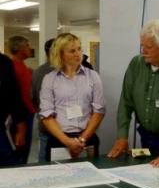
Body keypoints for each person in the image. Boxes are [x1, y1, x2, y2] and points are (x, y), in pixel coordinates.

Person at [108, 19, 159, 167]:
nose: (143, 51)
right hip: (147, 137)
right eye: (142, 46)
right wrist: (122, 136)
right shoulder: (136, 64)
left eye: (148, 47)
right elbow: (126, 102)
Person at [39, 33, 106, 161]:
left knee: (91, 179)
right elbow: (46, 115)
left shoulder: (93, 76)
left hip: (87, 138)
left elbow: (99, 111)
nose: (78, 54)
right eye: (72, 51)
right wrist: (67, 141)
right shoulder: (49, 79)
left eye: (79, 49)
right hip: (59, 139)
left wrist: (82, 139)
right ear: (61, 55)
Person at [8, 36, 37, 164]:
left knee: (24, 151)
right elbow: (17, 96)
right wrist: (31, 109)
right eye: (26, 45)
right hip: (21, 116)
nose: (29, 48)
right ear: (19, 48)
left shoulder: (22, 66)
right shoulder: (13, 67)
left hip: (27, 113)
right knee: (20, 150)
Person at [0, 52, 27, 166]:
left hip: (0, 129)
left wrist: (21, 128)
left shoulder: (3, 62)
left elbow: (13, 96)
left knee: (9, 164)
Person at [32, 38, 55, 162]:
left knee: (44, 152)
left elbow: (33, 98)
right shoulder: (59, 70)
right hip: (59, 124)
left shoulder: (37, 71)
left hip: (44, 122)